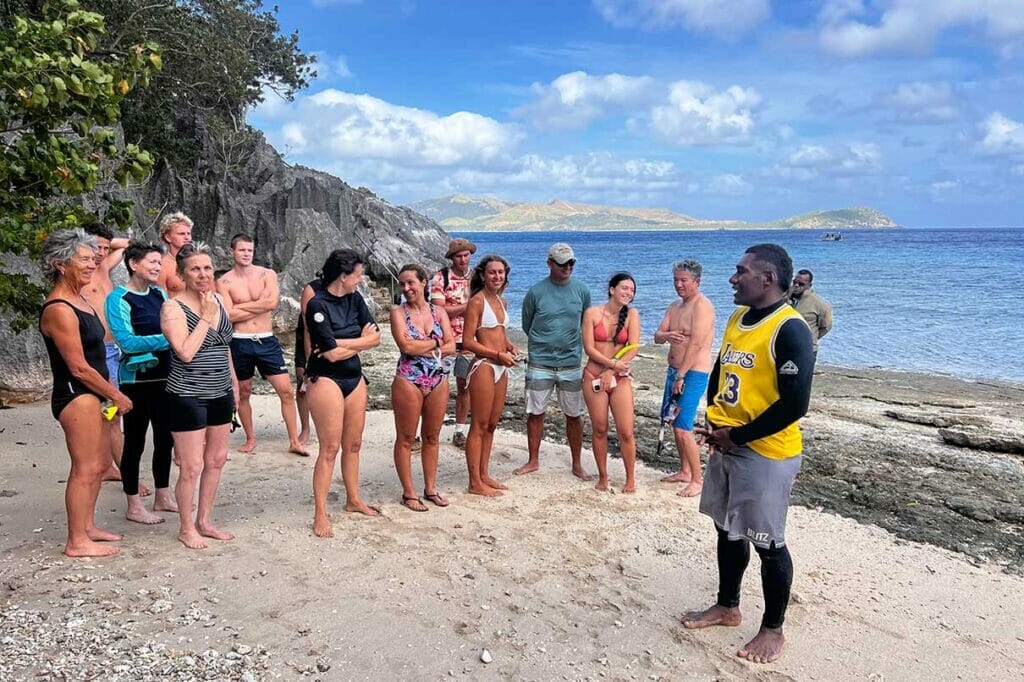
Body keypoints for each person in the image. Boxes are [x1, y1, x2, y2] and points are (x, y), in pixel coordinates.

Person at [684, 244, 815, 665]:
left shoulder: (790, 329)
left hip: (766, 453)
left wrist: (738, 436)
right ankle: (727, 606)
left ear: (767, 278)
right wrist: (714, 419)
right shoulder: (739, 317)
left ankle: (773, 630)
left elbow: (795, 405)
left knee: (769, 543)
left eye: (740, 272)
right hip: (727, 443)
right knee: (726, 529)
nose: (732, 278)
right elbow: (723, 370)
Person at [38, 229, 132, 557]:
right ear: (60, 264)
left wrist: (108, 395)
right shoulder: (59, 307)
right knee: (85, 467)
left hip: (95, 394)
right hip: (76, 395)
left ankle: (88, 527)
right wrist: (116, 395)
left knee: (101, 462)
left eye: (94, 259)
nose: (92, 264)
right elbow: (78, 367)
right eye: (84, 259)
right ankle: (76, 541)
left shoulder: (81, 298)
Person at [160, 242, 239, 550]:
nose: (203, 274)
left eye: (207, 268)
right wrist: (205, 316)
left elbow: (224, 345)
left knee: (217, 459)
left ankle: (205, 520)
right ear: (182, 274)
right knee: (191, 466)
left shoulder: (218, 299)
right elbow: (185, 352)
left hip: (220, 390)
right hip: (187, 394)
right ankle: (185, 526)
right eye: (195, 269)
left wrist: (233, 383)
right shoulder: (172, 307)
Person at [305, 249, 382, 536]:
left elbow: (375, 338)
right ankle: (320, 513)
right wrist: (357, 341)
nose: (360, 281)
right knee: (329, 448)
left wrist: (339, 342)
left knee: (354, 444)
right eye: (358, 275)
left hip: (354, 377)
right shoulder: (317, 304)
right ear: (343, 275)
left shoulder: (355, 299)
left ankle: (353, 499)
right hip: (325, 378)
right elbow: (331, 356)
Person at [106, 241, 178, 524]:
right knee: (134, 441)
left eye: (159, 263)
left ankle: (163, 494)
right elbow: (126, 341)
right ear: (133, 264)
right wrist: (168, 339)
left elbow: (172, 325)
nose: (157, 267)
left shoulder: (159, 293)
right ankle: (133, 503)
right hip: (136, 380)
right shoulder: (118, 298)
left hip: (166, 375)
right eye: (151, 262)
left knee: (165, 439)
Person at [216, 233, 307, 456]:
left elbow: (272, 302)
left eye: (250, 250)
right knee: (244, 391)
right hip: (239, 342)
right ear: (232, 251)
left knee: (285, 391)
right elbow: (227, 314)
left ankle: (294, 440)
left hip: (266, 339)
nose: (246, 254)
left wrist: (243, 306)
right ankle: (250, 438)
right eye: (242, 250)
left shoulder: (267, 274)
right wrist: (259, 304)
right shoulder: (224, 281)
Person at [516, 243, 592, 479]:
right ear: (549, 264)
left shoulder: (582, 290)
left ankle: (577, 463)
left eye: (571, 263)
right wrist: (544, 343)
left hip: (571, 362)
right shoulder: (536, 292)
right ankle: (533, 460)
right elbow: (526, 324)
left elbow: (586, 323)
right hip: (540, 361)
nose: (567, 267)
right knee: (535, 412)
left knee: (574, 414)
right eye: (562, 263)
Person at [390, 265, 456, 511]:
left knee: (432, 436)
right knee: (406, 438)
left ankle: (430, 488)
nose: (406, 289)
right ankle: (409, 492)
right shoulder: (398, 313)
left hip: (438, 378)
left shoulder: (438, 311)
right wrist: (438, 344)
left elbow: (452, 346)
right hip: (409, 378)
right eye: (402, 284)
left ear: (424, 283)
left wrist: (427, 344)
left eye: (411, 283)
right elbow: (406, 347)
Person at [653, 260, 716, 497]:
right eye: (676, 280)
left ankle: (698, 480)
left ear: (697, 282)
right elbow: (657, 336)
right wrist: (667, 334)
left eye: (684, 281)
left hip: (693, 373)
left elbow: (698, 343)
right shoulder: (675, 306)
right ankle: (684, 471)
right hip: (674, 372)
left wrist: (681, 375)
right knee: (672, 422)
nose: (679, 285)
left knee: (683, 425)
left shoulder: (703, 306)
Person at [461, 255, 519, 496]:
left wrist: (510, 346)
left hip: (501, 366)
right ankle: (475, 482)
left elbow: (498, 332)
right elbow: (467, 341)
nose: (497, 276)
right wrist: (497, 353)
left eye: (501, 272)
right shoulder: (476, 302)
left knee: (492, 424)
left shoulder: (501, 302)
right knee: (479, 424)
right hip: (484, 365)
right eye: (492, 272)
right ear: (483, 275)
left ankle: (484, 474)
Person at [581, 272, 640, 493]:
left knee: (626, 431)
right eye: (624, 288)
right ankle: (603, 476)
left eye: (632, 290)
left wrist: (614, 370)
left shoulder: (632, 314)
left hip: (620, 379)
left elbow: (633, 347)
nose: (628, 293)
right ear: (612, 289)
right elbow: (589, 348)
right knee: (599, 428)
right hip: (594, 376)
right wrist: (610, 366)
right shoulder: (592, 313)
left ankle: (630, 478)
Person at [82, 225, 131, 486]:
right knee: (113, 413)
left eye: (104, 248)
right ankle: (127, 474)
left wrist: (105, 244)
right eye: (96, 247)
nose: (101, 253)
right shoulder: (80, 274)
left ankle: (108, 465)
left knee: (109, 415)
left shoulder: (102, 267)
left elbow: (124, 244)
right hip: (97, 353)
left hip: (114, 350)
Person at [430, 238, 475, 448]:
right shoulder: (441, 278)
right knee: (438, 386)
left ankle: (459, 430)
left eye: (466, 255)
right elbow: (438, 310)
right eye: (459, 256)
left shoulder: (477, 278)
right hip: (446, 341)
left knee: (464, 387)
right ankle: (431, 429)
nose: (463, 259)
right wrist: (468, 306)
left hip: (469, 341)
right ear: (452, 258)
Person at [294, 276, 323, 445]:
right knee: (302, 382)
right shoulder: (312, 289)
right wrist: (309, 361)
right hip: (308, 332)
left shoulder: (348, 287)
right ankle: (305, 429)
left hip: (334, 335)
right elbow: (307, 329)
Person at [789, 269, 832, 358]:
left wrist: (809, 338)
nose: (796, 285)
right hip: (784, 348)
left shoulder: (819, 303)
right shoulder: (784, 299)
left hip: (807, 350)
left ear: (809, 285)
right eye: (794, 282)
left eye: (801, 284)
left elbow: (826, 327)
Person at [155, 212, 192, 295]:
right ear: (168, 237)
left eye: (188, 233)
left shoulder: (198, 261)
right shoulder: (162, 265)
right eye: (181, 234)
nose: (187, 237)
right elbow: (160, 300)